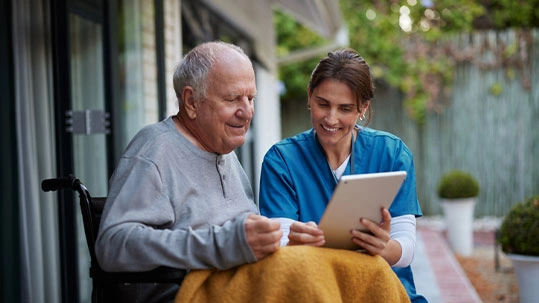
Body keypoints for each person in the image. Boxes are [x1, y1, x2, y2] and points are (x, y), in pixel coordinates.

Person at [95, 41, 282, 302]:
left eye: (250, 98)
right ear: (191, 101)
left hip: (239, 285)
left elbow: (237, 235)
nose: (247, 112)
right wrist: (221, 245)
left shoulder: (222, 148)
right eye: (232, 99)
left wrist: (284, 235)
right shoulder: (154, 150)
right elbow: (112, 244)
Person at [259, 48, 428, 303]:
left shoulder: (392, 154)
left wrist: (386, 249)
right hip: (313, 290)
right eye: (323, 104)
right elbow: (280, 247)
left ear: (363, 107)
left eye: (345, 108)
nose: (331, 118)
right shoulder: (281, 161)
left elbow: (406, 247)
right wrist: (292, 243)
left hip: (381, 288)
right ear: (309, 97)